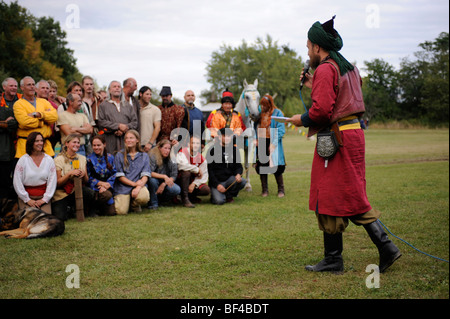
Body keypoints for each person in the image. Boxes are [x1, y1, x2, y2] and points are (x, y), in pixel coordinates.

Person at [287, 16, 401, 273]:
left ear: (317, 47)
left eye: (308, 47)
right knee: (341, 194)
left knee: (340, 195)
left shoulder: (326, 68)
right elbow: (342, 97)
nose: (307, 51)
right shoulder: (349, 67)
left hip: (337, 139)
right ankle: (337, 258)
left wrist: (300, 119)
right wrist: (312, 83)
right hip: (352, 135)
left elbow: (322, 112)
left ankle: (380, 249)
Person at [52, 133, 95, 221]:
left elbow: (86, 181)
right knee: (61, 217)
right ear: (67, 144)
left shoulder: (82, 158)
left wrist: (83, 174)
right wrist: (69, 174)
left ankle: (78, 209)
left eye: (78, 143)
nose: (76, 145)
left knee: (89, 192)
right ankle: (68, 209)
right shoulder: (58, 159)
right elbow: (57, 183)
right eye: (74, 142)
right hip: (62, 193)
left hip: (76, 190)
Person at [13, 76, 58, 158]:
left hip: (45, 147)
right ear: (22, 88)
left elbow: (54, 116)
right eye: (29, 85)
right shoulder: (18, 104)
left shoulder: (44, 102)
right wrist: (43, 122)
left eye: (33, 84)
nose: (32, 87)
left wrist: (39, 114)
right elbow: (24, 122)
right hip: (25, 147)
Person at [13, 132, 57, 214]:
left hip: (43, 197)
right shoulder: (23, 160)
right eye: (37, 141)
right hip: (26, 198)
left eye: (41, 140)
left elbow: (52, 181)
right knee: (28, 221)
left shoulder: (49, 160)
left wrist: (44, 199)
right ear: (31, 143)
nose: (40, 143)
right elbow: (17, 182)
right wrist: (27, 199)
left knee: (45, 221)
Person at [254, 95, 286, 198]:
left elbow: (281, 130)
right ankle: (265, 190)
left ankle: (281, 190)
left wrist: (273, 144)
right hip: (262, 141)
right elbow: (256, 127)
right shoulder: (260, 114)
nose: (262, 107)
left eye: (265, 105)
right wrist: (257, 139)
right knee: (262, 166)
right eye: (261, 105)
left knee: (276, 166)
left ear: (270, 104)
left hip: (273, 142)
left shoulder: (278, 113)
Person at [113, 130, 150, 214]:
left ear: (137, 140)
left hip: (139, 186)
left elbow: (145, 175)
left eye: (131, 138)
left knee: (144, 197)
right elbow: (120, 176)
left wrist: (138, 187)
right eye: (126, 138)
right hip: (123, 187)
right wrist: (134, 184)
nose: (128, 140)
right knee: (121, 211)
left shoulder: (144, 155)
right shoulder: (119, 155)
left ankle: (134, 204)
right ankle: (127, 203)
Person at [207, 128, 246, 205]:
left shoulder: (234, 150)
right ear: (219, 137)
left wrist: (238, 174)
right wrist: (217, 185)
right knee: (219, 201)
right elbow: (210, 171)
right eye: (225, 136)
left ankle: (229, 195)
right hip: (217, 181)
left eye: (229, 136)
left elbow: (238, 166)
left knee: (243, 181)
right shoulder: (212, 150)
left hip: (229, 179)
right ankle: (215, 194)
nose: (227, 138)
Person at [97, 81, 138, 154]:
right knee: (111, 162)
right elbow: (101, 122)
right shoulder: (103, 105)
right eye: (114, 86)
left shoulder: (128, 106)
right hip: (109, 140)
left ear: (121, 90)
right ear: (109, 90)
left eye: (119, 87)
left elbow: (135, 122)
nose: (117, 88)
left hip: (126, 140)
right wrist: (118, 126)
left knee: (125, 162)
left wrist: (125, 128)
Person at [176, 135, 210, 208]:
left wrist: (194, 184)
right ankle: (184, 198)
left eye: (197, 143)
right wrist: (197, 169)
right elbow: (181, 166)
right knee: (186, 172)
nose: (195, 145)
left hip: (192, 183)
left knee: (206, 190)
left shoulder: (202, 159)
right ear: (189, 144)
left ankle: (191, 197)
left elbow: (204, 177)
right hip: (179, 181)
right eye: (193, 143)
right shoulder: (183, 152)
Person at [86, 135, 117, 216]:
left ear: (104, 144)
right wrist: (100, 183)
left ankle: (100, 208)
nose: (96, 147)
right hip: (94, 187)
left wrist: (107, 185)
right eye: (94, 145)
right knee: (107, 195)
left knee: (111, 213)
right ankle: (92, 208)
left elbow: (114, 173)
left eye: (98, 145)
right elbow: (88, 177)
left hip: (107, 186)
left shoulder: (110, 157)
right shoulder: (89, 159)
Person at [148, 139, 181, 209]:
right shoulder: (153, 155)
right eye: (165, 148)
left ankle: (161, 200)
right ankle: (154, 203)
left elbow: (174, 175)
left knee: (176, 189)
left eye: (169, 148)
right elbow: (149, 172)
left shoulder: (172, 157)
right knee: (152, 181)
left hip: (165, 181)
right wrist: (164, 176)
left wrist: (164, 183)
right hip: (155, 179)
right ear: (159, 148)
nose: (167, 151)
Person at [0, 82, 18, 200]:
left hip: (5, 154)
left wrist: (7, 124)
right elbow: (8, 124)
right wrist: (4, 124)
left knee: (6, 184)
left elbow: (14, 124)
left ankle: (5, 212)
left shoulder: (6, 110)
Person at [138, 86, 161, 152]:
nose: (149, 96)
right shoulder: (134, 107)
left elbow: (157, 128)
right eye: (147, 94)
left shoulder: (155, 109)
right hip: (134, 143)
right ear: (140, 94)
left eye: (150, 94)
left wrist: (150, 143)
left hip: (148, 145)